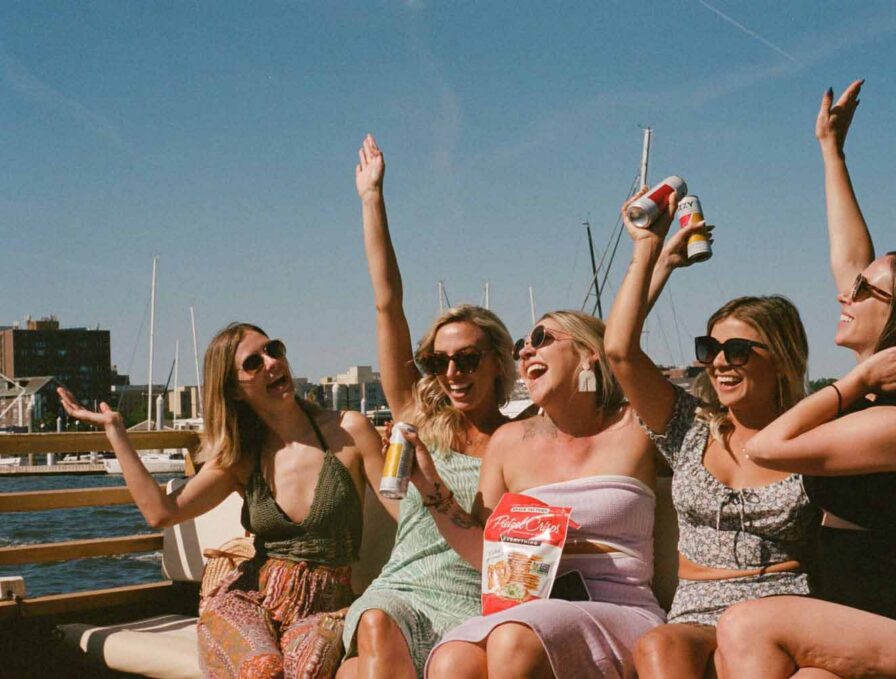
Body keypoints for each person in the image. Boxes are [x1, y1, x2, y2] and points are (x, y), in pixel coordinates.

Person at [714, 81, 896, 679]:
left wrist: (854, 382)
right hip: (861, 614)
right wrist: (832, 151)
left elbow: (768, 449)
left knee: (745, 625)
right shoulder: (884, 393)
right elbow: (851, 257)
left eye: (863, 292)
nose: (844, 294)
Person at [59, 323, 389, 679]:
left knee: (304, 672)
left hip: (325, 607)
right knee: (262, 670)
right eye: (253, 363)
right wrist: (116, 432)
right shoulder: (241, 457)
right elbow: (161, 513)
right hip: (246, 598)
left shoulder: (348, 431)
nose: (272, 363)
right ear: (233, 390)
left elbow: (404, 510)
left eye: (273, 350)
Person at [603, 193, 820, 679]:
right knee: (659, 647)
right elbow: (618, 351)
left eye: (738, 349)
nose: (720, 361)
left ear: (782, 356)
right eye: (710, 348)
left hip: (784, 607)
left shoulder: (813, 437)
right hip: (696, 609)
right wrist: (650, 253)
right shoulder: (688, 426)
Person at [339, 134, 517, 679]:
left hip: (475, 604)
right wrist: (373, 201)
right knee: (374, 624)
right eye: (440, 362)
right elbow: (387, 303)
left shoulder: (522, 442)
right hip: (400, 592)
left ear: (495, 361)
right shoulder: (418, 419)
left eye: (467, 359)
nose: (453, 373)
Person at [413, 309, 665, 679]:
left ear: (588, 353)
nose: (526, 352)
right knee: (453, 661)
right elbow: (488, 555)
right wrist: (430, 487)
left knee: (514, 639)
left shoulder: (636, 426)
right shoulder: (509, 442)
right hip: (529, 605)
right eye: (521, 347)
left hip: (619, 604)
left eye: (541, 339)